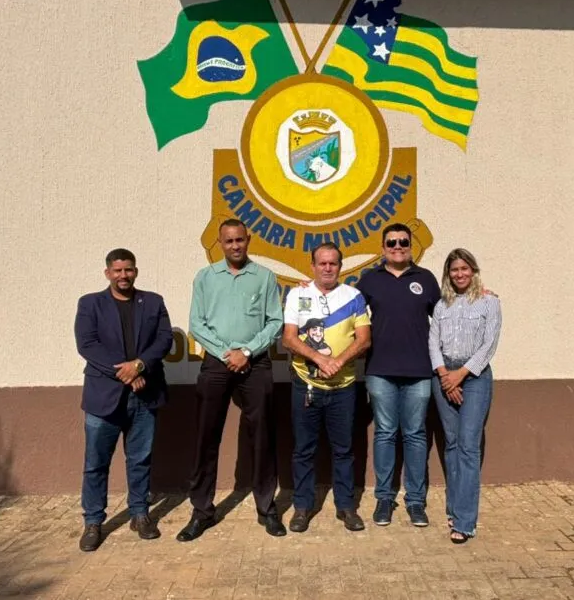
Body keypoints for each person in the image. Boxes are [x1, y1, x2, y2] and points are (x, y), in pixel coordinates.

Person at [179, 219, 285, 541]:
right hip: (216, 363)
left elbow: (274, 322)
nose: (235, 246)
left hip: (256, 364)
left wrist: (247, 352)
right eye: (229, 241)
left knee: (263, 436)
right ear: (220, 243)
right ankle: (202, 511)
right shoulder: (206, 278)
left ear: (248, 240)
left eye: (240, 240)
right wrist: (228, 353)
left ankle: (267, 509)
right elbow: (197, 323)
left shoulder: (265, 277)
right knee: (206, 437)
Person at [74, 248, 173, 552]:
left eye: (128, 270)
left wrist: (140, 365)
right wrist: (128, 372)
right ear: (108, 273)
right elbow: (87, 344)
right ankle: (93, 521)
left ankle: (140, 514)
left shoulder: (153, 302)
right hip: (104, 397)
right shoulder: (91, 304)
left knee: (140, 460)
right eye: (117, 271)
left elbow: (165, 339)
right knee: (95, 464)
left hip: (145, 396)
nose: (123, 276)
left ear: (136, 271)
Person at [282, 242, 372, 533]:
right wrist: (319, 358)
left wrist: (338, 361)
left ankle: (346, 507)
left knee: (344, 450)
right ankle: (302, 507)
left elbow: (364, 339)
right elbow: (289, 338)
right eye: (322, 263)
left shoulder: (354, 296)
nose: (328, 268)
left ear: (340, 266)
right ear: (313, 266)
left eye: (333, 263)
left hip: (343, 387)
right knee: (303, 450)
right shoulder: (297, 294)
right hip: (305, 385)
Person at [356, 223, 441, 528]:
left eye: (403, 242)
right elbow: (342, 310)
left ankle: (416, 502)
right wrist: (307, 290)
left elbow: (447, 316)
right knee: (385, 434)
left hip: (419, 371)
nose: (397, 246)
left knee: (416, 435)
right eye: (391, 242)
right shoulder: (369, 281)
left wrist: (479, 295)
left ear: (410, 246)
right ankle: (384, 499)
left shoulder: (426, 279)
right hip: (380, 371)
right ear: (383, 248)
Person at [428, 248, 502, 544]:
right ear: (448, 274)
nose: (459, 274)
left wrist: (460, 375)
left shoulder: (489, 302)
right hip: (444, 376)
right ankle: (453, 507)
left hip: (474, 379)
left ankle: (465, 521)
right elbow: (433, 342)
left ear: (473, 270)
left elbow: (489, 344)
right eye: (454, 270)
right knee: (452, 444)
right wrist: (446, 375)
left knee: (469, 447)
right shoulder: (441, 305)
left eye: (464, 269)